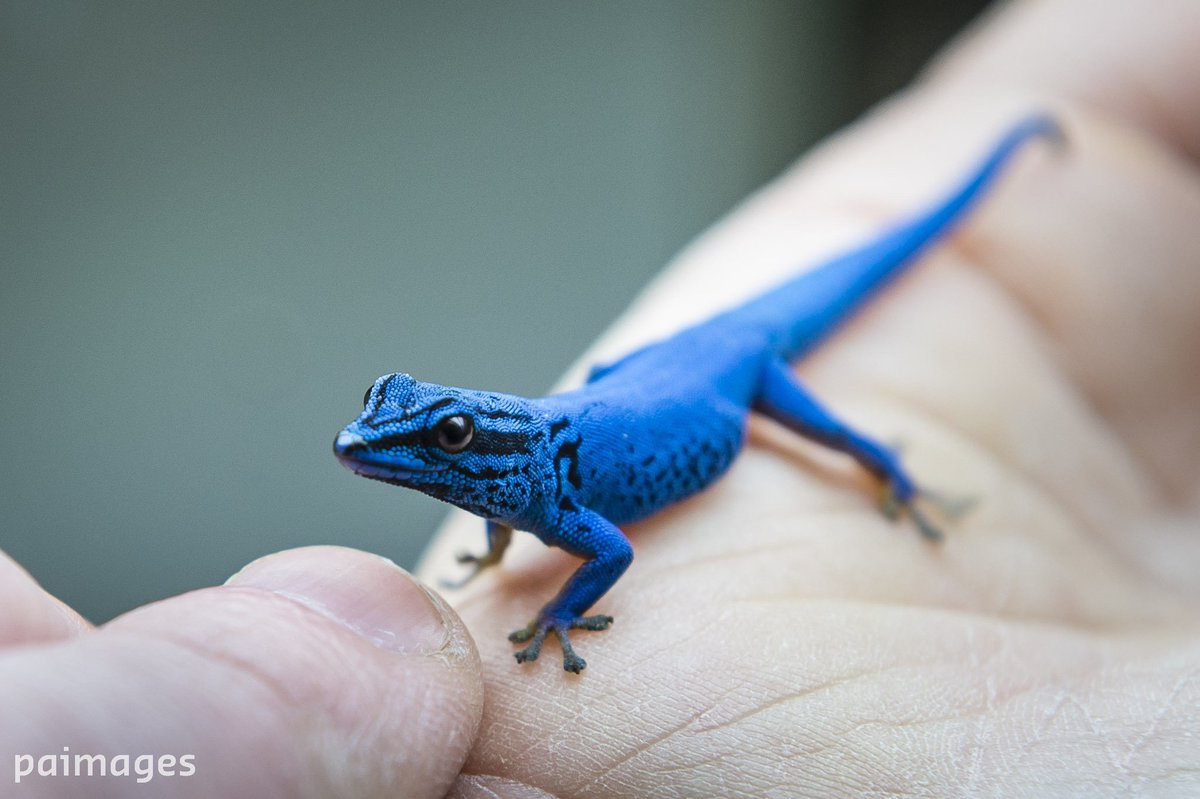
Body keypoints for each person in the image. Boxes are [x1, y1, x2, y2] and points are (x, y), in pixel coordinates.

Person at [3, 0, 1197, 795]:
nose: (378, 445)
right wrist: (492, 530)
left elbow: (612, 549)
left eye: (442, 433)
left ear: (484, 444)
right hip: (652, 378)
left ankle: (886, 469)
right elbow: (488, 485)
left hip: (728, 376)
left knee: (835, 408)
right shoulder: (508, 472)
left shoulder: (551, 496)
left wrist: (561, 612)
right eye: (413, 426)